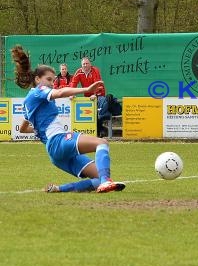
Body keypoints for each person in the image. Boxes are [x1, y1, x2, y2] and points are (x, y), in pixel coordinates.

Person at [11, 45, 125, 193]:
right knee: (101, 143)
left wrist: (40, 130)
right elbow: (60, 92)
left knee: (97, 177)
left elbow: (23, 128)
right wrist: (86, 89)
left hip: (55, 153)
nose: (52, 83)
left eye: (53, 80)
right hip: (58, 142)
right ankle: (106, 182)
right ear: (37, 79)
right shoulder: (38, 91)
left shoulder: (30, 100)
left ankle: (59, 189)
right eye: (49, 79)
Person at [70, 57, 110, 137]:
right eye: (83, 64)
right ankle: (101, 130)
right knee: (90, 114)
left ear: (90, 64)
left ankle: (100, 130)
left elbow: (98, 84)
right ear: (81, 65)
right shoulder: (78, 72)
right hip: (88, 96)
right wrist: (72, 93)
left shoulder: (95, 70)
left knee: (97, 113)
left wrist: (95, 94)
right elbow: (73, 83)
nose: (85, 65)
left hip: (99, 93)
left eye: (87, 63)